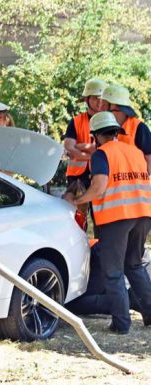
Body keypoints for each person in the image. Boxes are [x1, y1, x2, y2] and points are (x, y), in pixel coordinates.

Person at [65, 111, 151, 333]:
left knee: (112, 273)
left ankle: (121, 324)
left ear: (95, 135)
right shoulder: (135, 152)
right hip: (143, 214)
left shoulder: (101, 154)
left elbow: (100, 186)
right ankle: (150, 314)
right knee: (134, 266)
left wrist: (79, 199)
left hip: (116, 219)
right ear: (116, 132)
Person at [63, 78, 108, 190]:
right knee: (76, 207)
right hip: (77, 177)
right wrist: (94, 155)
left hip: (102, 173)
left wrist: (80, 147)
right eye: (95, 98)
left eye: (102, 98)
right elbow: (69, 147)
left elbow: (108, 149)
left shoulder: (110, 121)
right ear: (86, 99)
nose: (99, 101)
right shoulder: (76, 121)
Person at [100, 84, 151, 174]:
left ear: (117, 107)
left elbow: (149, 160)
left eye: (104, 105)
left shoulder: (139, 128)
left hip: (135, 185)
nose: (100, 108)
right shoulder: (103, 128)